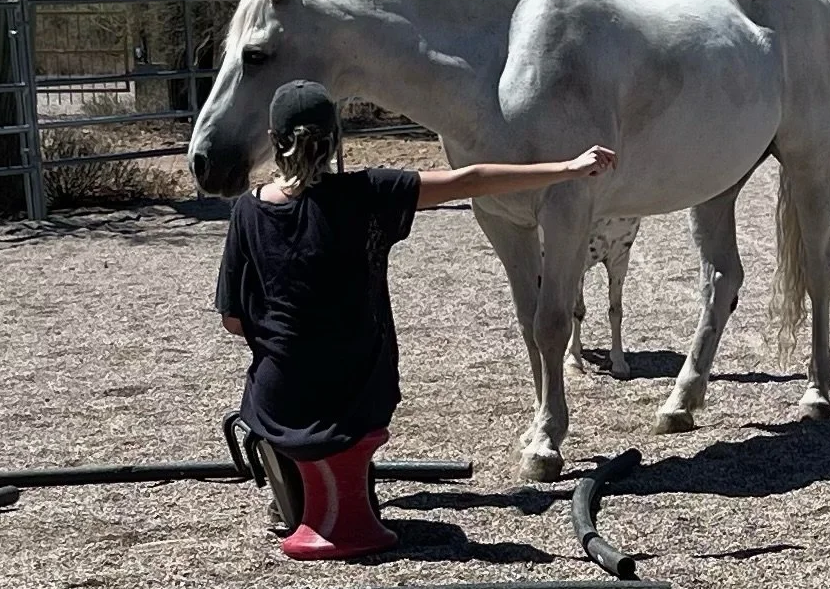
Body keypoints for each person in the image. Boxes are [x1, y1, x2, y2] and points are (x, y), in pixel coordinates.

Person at [214, 79, 616, 545]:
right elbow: (472, 179)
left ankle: (293, 487)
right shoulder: (369, 193)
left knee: (272, 379)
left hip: (281, 401)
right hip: (362, 394)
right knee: (343, 362)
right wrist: (569, 167)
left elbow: (234, 321)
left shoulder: (247, 212)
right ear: (335, 140)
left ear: (273, 138)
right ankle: (335, 485)